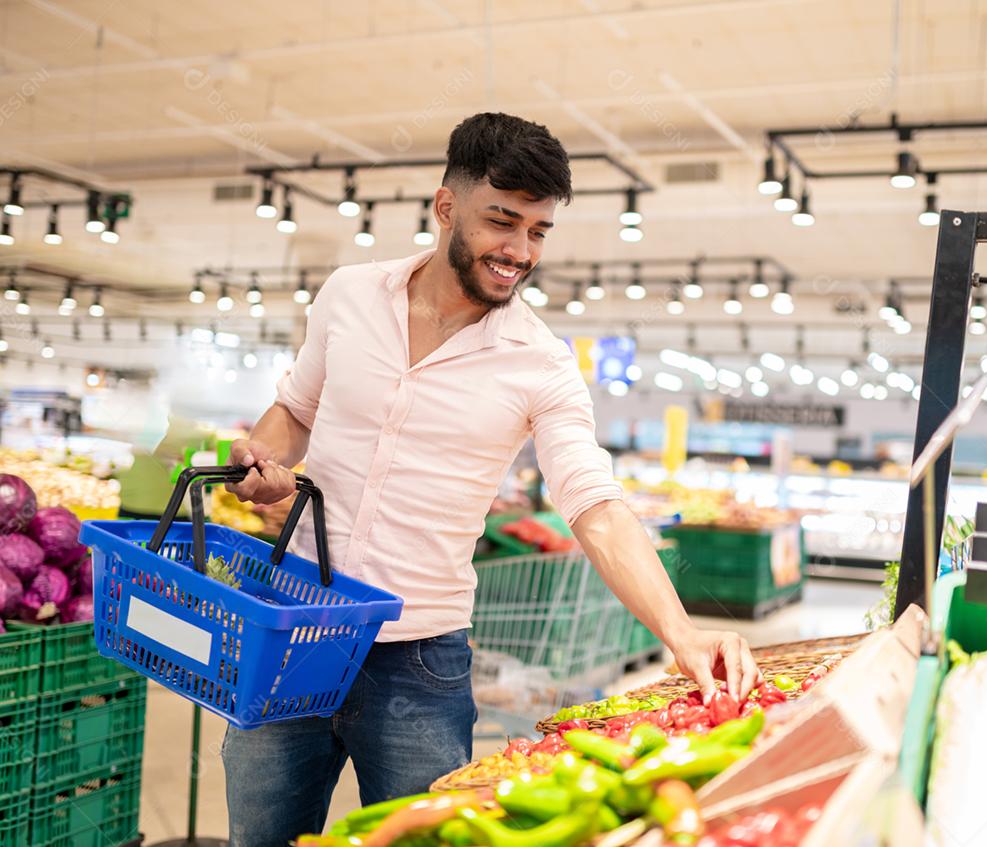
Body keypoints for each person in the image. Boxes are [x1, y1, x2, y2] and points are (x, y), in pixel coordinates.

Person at [222, 112, 762, 846]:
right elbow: (295, 408)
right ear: (446, 206)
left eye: (538, 231)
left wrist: (681, 633)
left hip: (417, 661)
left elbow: (595, 506)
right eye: (501, 222)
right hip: (291, 627)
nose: (519, 251)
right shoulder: (349, 295)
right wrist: (258, 457)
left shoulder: (540, 363)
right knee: (260, 838)